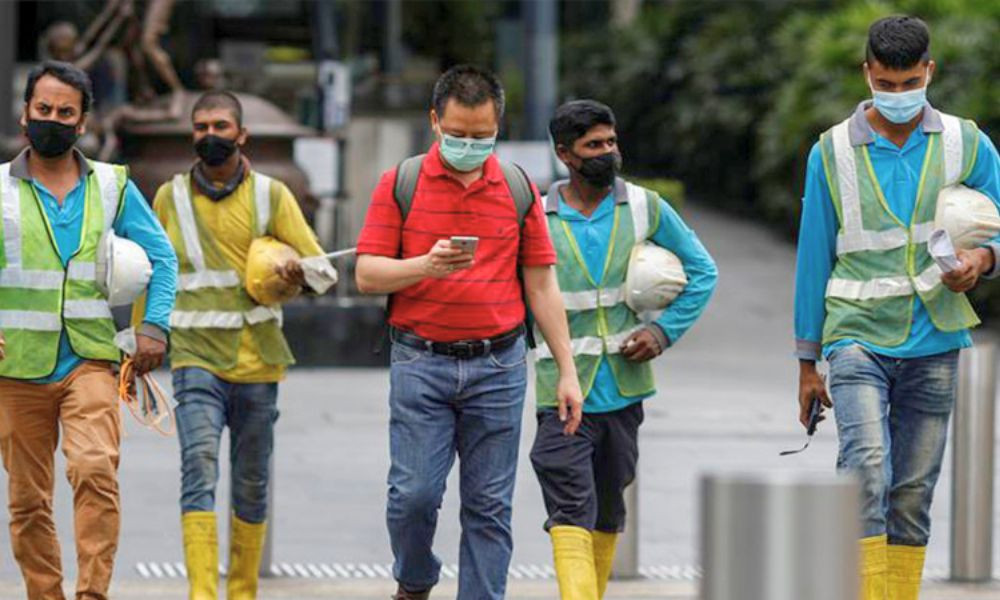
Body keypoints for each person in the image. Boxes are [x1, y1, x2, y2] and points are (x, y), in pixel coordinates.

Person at [355, 64, 584, 600]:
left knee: (488, 507)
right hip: (420, 362)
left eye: (482, 136)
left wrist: (566, 371)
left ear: (498, 127)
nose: (469, 144)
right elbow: (367, 274)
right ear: (435, 121)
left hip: (499, 366)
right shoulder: (401, 183)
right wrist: (424, 267)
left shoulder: (517, 187)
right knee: (413, 497)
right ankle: (415, 579)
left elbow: (542, 287)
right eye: (457, 134)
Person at [793, 16, 1000, 600]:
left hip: (935, 337)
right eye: (887, 84)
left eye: (910, 83)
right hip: (855, 336)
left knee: (911, 491)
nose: (900, 95)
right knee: (866, 468)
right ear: (867, 74)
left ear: (929, 72)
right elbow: (813, 256)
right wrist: (807, 362)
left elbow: (998, 226)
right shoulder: (830, 151)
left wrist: (981, 262)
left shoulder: (967, 143)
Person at [0, 60, 177, 600]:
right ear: (26, 114)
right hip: (14, 365)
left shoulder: (112, 186)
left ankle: (93, 594)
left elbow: (162, 256)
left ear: (82, 123)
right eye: (43, 109)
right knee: (28, 501)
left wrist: (153, 325)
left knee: (95, 469)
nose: (52, 119)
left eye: (65, 113)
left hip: (89, 360)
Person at [531, 100, 717, 599]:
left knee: (609, 508)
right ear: (566, 155)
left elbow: (704, 272)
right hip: (560, 389)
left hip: (623, 389)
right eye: (594, 146)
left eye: (611, 142)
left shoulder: (645, 207)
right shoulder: (536, 215)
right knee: (568, 501)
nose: (608, 153)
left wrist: (662, 332)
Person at [144, 90, 327, 600]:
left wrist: (296, 271)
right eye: (201, 126)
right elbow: (156, 274)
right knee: (197, 468)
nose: (210, 135)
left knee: (250, 484)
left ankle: (241, 592)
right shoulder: (169, 197)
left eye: (221, 126)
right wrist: (144, 339)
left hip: (258, 363)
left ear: (242, 135)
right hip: (195, 358)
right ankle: (203, 593)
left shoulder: (273, 196)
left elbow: (323, 269)